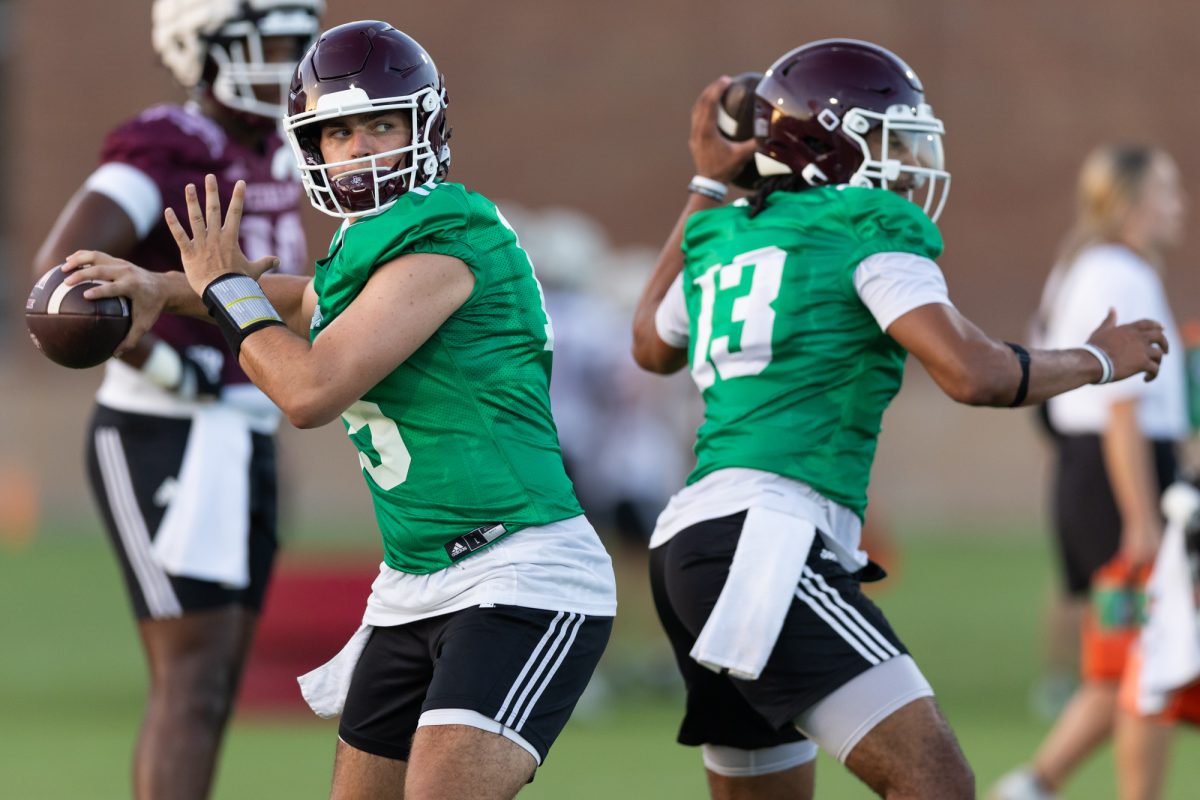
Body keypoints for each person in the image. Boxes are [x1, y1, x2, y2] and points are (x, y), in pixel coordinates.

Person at [62, 20, 617, 800]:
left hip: (520, 572)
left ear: (423, 123)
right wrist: (166, 289)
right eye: (339, 131)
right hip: (414, 582)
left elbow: (310, 390)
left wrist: (222, 289)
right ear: (311, 147)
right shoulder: (366, 245)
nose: (360, 148)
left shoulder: (444, 237)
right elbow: (302, 300)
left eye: (381, 124)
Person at [630, 39, 1170, 800]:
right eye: (886, 135)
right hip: (767, 541)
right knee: (937, 782)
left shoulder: (727, 230)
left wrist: (703, 187)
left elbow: (650, 341)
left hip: (690, 547)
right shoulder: (865, 223)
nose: (908, 156)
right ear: (827, 144)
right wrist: (1098, 357)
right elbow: (972, 373)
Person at [32, 2, 321, 798]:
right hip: (168, 429)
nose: (292, 58)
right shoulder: (169, 144)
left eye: (302, 39)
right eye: (274, 41)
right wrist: (166, 364)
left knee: (218, 683)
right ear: (202, 44)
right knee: (190, 683)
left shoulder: (273, 149)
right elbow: (62, 278)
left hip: (243, 425)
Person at [990, 144, 1188, 800]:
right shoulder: (1118, 274)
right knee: (1147, 658)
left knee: (1119, 664)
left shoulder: (1085, 268)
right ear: (1130, 205)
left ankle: (1031, 786)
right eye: (1165, 192)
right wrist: (1141, 520)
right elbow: (1121, 408)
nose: (1178, 205)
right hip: (1118, 484)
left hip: (1092, 476)